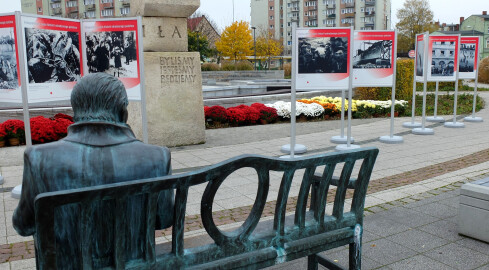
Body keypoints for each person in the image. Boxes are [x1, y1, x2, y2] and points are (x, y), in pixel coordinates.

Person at [13, 73, 174, 269]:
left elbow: (24, 225)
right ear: (123, 113)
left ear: (76, 112)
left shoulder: (38, 157)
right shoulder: (158, 156)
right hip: (135, 265)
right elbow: (163, 219)